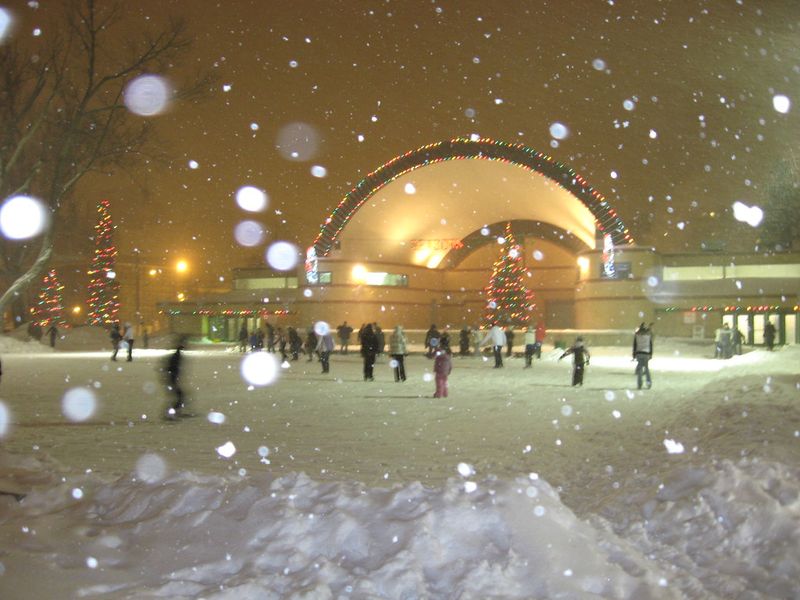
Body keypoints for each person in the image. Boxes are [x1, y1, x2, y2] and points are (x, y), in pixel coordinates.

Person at [164, 343, 186, 418]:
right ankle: (172, 412)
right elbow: (172, 367)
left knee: (179, 397)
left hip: (172, 379)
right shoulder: (176, 357)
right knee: (180, 397)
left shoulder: (176, 356)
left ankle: (173, 411)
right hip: (172, 380)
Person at [633, 323, 653, 390]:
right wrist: (650, 354)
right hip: (646, 353)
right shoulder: (648, 336)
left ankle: (639, 384)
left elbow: (635, 345)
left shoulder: (637, 336)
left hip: (639, 353)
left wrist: (634, 355)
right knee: (646, 369)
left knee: (640, 369)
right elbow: (650, 345)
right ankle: (648, 383)